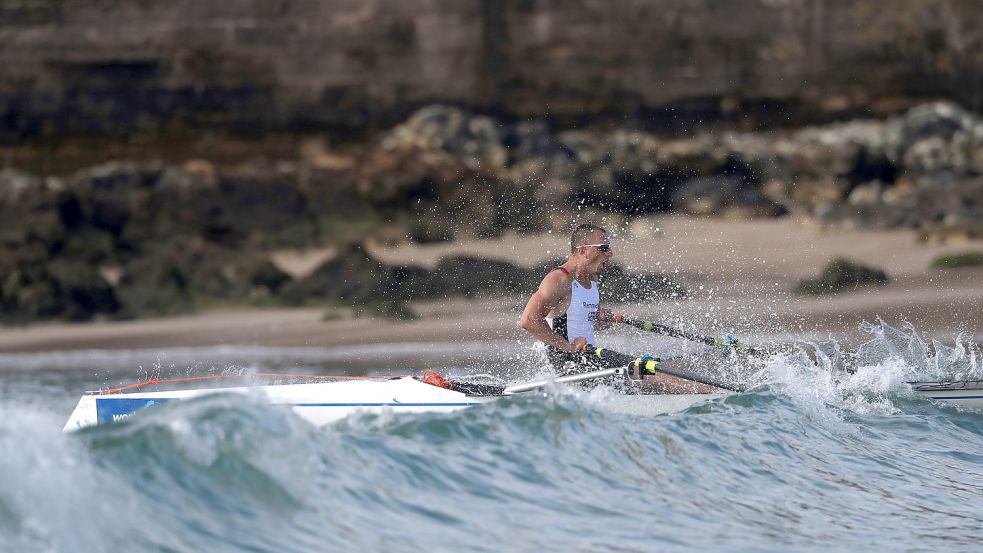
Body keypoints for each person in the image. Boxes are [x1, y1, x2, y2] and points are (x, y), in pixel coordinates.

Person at [519, 223, 714, 393]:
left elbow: (581, 322)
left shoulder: (591, 282)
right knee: (650, 371)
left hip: (589, 359)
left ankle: (709, 393)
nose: (610, 253)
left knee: (661, 367)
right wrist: (568, 347)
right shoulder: (560, 279)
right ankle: (715, 396)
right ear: (582, 251)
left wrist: (599, 320)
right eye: (603, 248)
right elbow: (529, 320)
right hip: (570, 366)